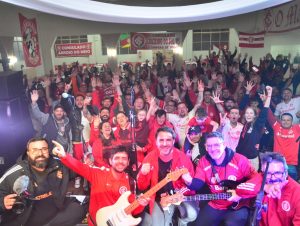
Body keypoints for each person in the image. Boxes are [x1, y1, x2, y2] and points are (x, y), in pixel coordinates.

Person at [52, 142, 149, 226]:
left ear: (128, 162)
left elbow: (132, 210)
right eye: (117, 158)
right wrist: (64, 156)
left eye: (124, 158)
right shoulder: (98, 174)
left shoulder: (131, 182)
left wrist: (141, 204)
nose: (120, 161)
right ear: (110, 161)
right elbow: (79, 167)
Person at [0, 137, 86, 226]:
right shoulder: (14, 174)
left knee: (78, 209)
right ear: (28, 153)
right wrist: (2, 203)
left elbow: (78, 170)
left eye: (43, 149)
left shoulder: (59, 165)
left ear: (48, 151)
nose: (40, 153)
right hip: (25, 220)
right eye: (35, 150)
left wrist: (66, 157)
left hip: (53, 215)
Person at [182, 132, 258, 226]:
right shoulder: (203, 161)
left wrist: (241, 194)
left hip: (239, 205)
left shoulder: (240, 160)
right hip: (216, 204)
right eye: (209, 146)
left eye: (216, 145)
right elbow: (198, 184)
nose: (213, 149)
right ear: (205, 147)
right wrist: (189, 181)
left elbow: (257, 179)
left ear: (224, 144)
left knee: (231, 223)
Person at [137, 127, 198, 226]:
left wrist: (184, 188)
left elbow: (191, 187)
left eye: (168, 140)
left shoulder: (183, 158)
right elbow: (142, 187)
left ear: (173, 141)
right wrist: (143, 174)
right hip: (159, 198)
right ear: (156, 142)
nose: (165, 144)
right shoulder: (149, 158)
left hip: (179, 196)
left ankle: (181, 222)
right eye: (161, 140)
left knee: (191, 214)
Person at [240, 152, 300, 226]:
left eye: (277, 173)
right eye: (268, 173)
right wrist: (265, 187)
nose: (273, 177)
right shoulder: (262, 178)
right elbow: (240, 190)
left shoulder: (297, 192)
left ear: (286, 173)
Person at [267, 110, 300, 180]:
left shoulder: (297, 128)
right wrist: (265, 101)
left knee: (292, 186)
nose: (286, 122)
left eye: (288, 120)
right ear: (280, 121)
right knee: (276, 186)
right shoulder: (277, 127)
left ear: (292, 121)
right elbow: (269, 115)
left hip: (291, 164)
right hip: (277, 162)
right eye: (283, 120)